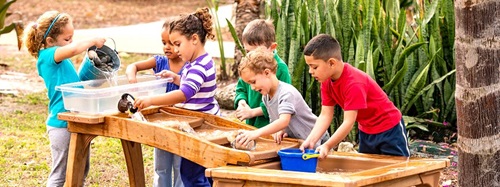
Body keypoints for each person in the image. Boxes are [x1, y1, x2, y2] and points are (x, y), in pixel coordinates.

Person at [133, 7, 219, 187]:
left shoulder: (197, 67)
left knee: (193, 176)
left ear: (194, 39)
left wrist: (150, 101)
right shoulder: (197, 61)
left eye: (178, 44)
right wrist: (176, 78)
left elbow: (184, 94)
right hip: (199, 125)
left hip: (200, 129)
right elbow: (193, 87)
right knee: (197, 174)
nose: (175, 49)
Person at [23, 11, 106, 187]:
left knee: (79, 171)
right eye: (67, 39)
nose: (71, 43)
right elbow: (74, 49)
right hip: (61, 124)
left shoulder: (61, 61)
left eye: (71, 38)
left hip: (76, 119)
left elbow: (76, 84)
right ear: (50, 42)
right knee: (60, 176)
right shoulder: (46, 57)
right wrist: (93, 40)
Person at [299, 34, 410, 158]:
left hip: (390, 129)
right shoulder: (326, 81)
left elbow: (348, 122)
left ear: (331, 63)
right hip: (366, 130)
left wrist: (327, 145)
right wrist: (311, 140)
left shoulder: (354, 83)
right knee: (368, 170)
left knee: (399, 167)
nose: (310, 71)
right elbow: (325, 114)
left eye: (314, 67)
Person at [125, 17, 185, 187]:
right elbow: (133, 66)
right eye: (164, 42)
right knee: (162, 165)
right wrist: (132, 79)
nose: (167, 47)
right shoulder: (159, 62)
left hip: (182, 123)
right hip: (160, 122)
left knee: (180, 165)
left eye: (172, 43)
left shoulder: (189, 65)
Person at [234, 47, 329, 148]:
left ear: (267, 73)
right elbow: (276, 122)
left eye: (253, 82)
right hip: (303, 143)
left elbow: (284, 121)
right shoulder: (266, 97)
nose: (252, 88)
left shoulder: (286, 93)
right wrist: (280, 130)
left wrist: (255, 133)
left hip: (319, 140)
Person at [234, 19, 291, 128]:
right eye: (247, 51)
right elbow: (241, 88)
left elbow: (281, 102)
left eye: (256, 51)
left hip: (271, 127)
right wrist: (242, 102)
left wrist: (252, 112)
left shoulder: (281, 69)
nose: (251, 56)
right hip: (252, 125)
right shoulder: (249, 65)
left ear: (272, 47)